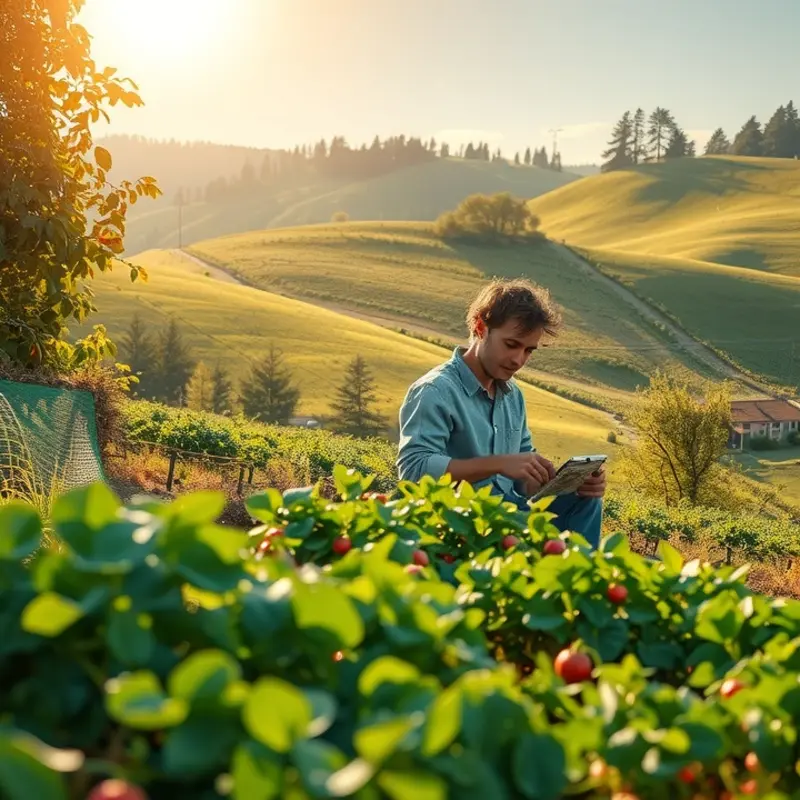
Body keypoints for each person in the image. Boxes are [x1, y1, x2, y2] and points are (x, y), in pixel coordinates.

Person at [396, 277, 606, 548]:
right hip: (459, 520)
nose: (518, 360)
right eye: (511, 345)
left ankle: (579, 584)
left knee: (585, 501)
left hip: (509, 516)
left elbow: (525, 486)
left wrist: (568, 483)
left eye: (528, 350)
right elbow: (413, 471)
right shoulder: (435, 391)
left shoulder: (512, 395)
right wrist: (498, 463)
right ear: (481, 327)